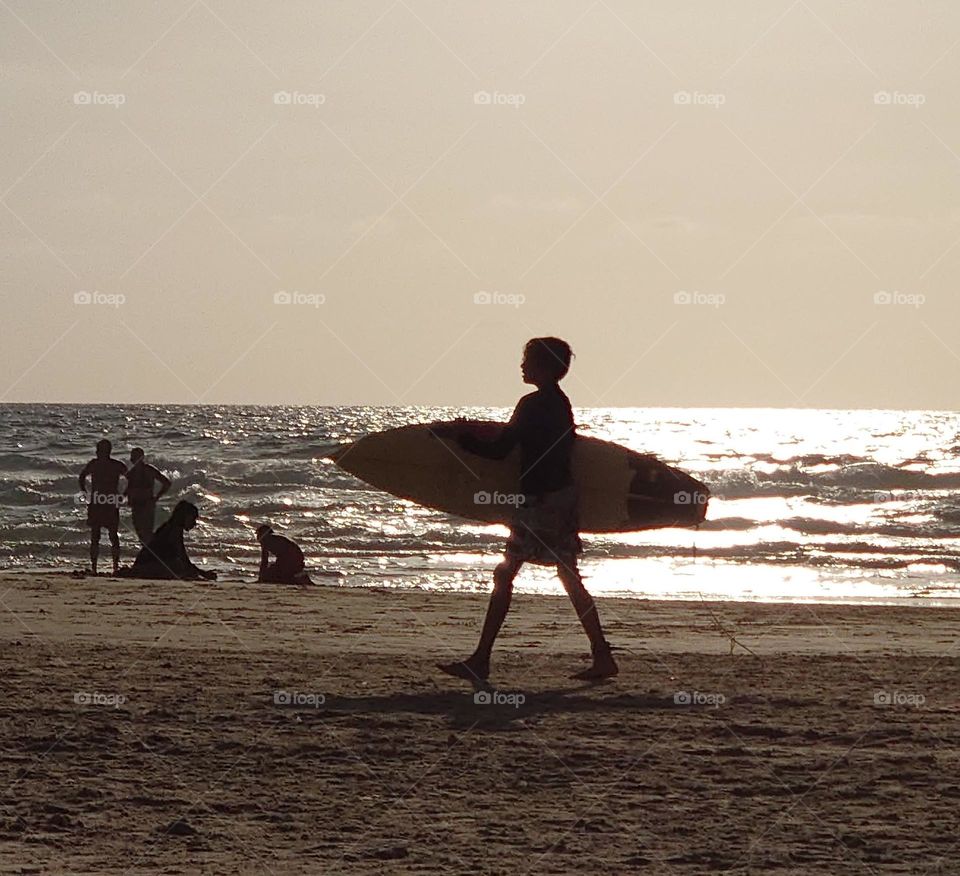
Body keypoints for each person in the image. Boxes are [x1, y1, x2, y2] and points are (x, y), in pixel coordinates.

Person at [437, 337, 618, 682]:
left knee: (507, 575)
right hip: (561, 499)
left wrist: (459, 437)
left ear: (545, 367)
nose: (521, 366)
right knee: (566, 577)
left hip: (540, 503)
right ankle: (602, 655)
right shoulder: (561, 404)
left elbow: (500, 451)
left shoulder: (533, 404)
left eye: (527, 361)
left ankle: (481, 660)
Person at [119, 501, 216, 580]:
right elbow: (183, 558)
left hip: (145, 564)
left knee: (181, 567)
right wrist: (203, 573)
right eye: (193, 519)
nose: (194, 523)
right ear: (184, 516)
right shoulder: (174, 530)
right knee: (179, 567)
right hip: (147, 566)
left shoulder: (169, 527)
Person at [78, 439, 127, 575]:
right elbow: (82, 476)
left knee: (103, 536)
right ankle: (109, 566)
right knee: (105, 536)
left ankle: (105, 566)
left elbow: (82, 476)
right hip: (104, 502)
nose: (97, 453)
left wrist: (85, 492)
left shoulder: (97, 464)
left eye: (99, 450)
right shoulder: (115, 465)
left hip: (103, 502)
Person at [125, 447, 171, 545]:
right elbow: (129, 488)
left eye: (134, 457)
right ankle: (149, 552)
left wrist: (156, 497)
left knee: (146, 533)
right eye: (132, 457)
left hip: (147, 504)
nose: (132, 459)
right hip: (136, 505)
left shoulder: (149, 470)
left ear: (141, 458)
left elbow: (166, 483)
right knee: (141, 534)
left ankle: (154, 553)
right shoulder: (131, 473)